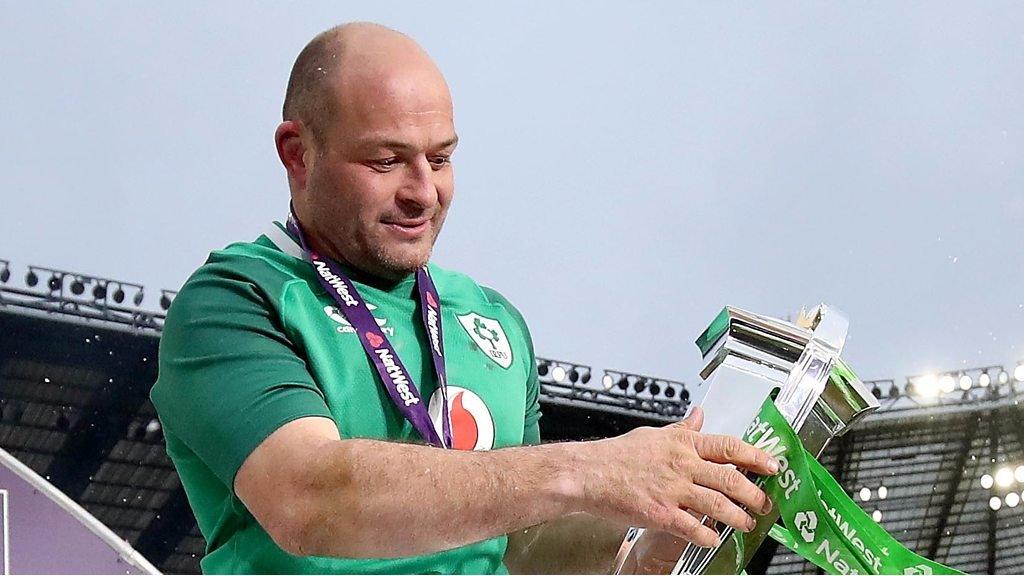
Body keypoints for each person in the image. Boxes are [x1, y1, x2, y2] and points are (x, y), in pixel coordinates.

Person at [151, 22, 779, 574]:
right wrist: (593, 470)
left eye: (441, 159)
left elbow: (519, 545)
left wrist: (647, 553)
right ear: (298, 153)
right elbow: (311, 501)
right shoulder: (235, 301)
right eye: (386, 160)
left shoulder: (492, 319)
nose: (423, 192)